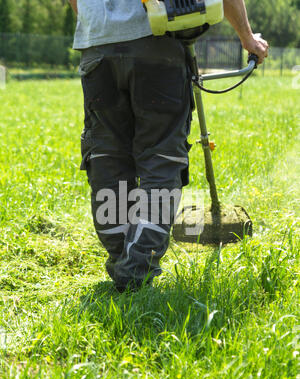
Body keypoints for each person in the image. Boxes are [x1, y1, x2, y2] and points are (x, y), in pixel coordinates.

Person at [69, 0, 269, 292]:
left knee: (108, 157)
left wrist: (101, 25)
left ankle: (122, 256)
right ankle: (134, 271)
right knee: (159, 158)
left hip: (97, 46)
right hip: (156, 42)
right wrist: (247, 38)